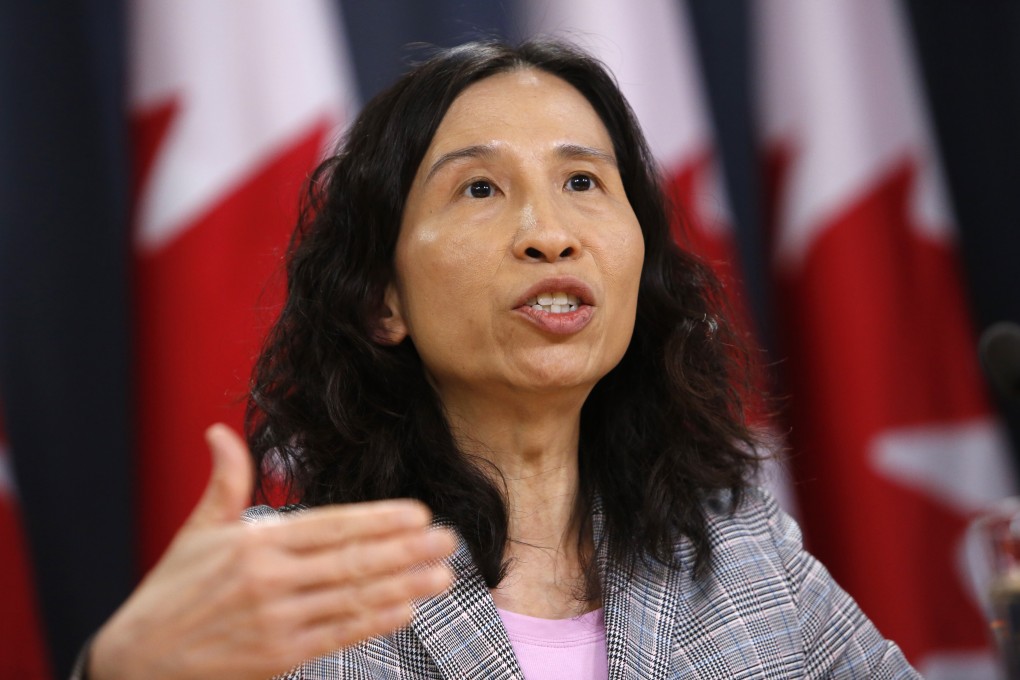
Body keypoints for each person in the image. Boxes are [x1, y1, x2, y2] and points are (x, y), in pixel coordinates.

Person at [78, 39, 919, 679]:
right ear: (383, 299)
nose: (549, 233)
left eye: (584, 183)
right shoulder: (286, 587)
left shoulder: (742, 556)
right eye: (479, 189)